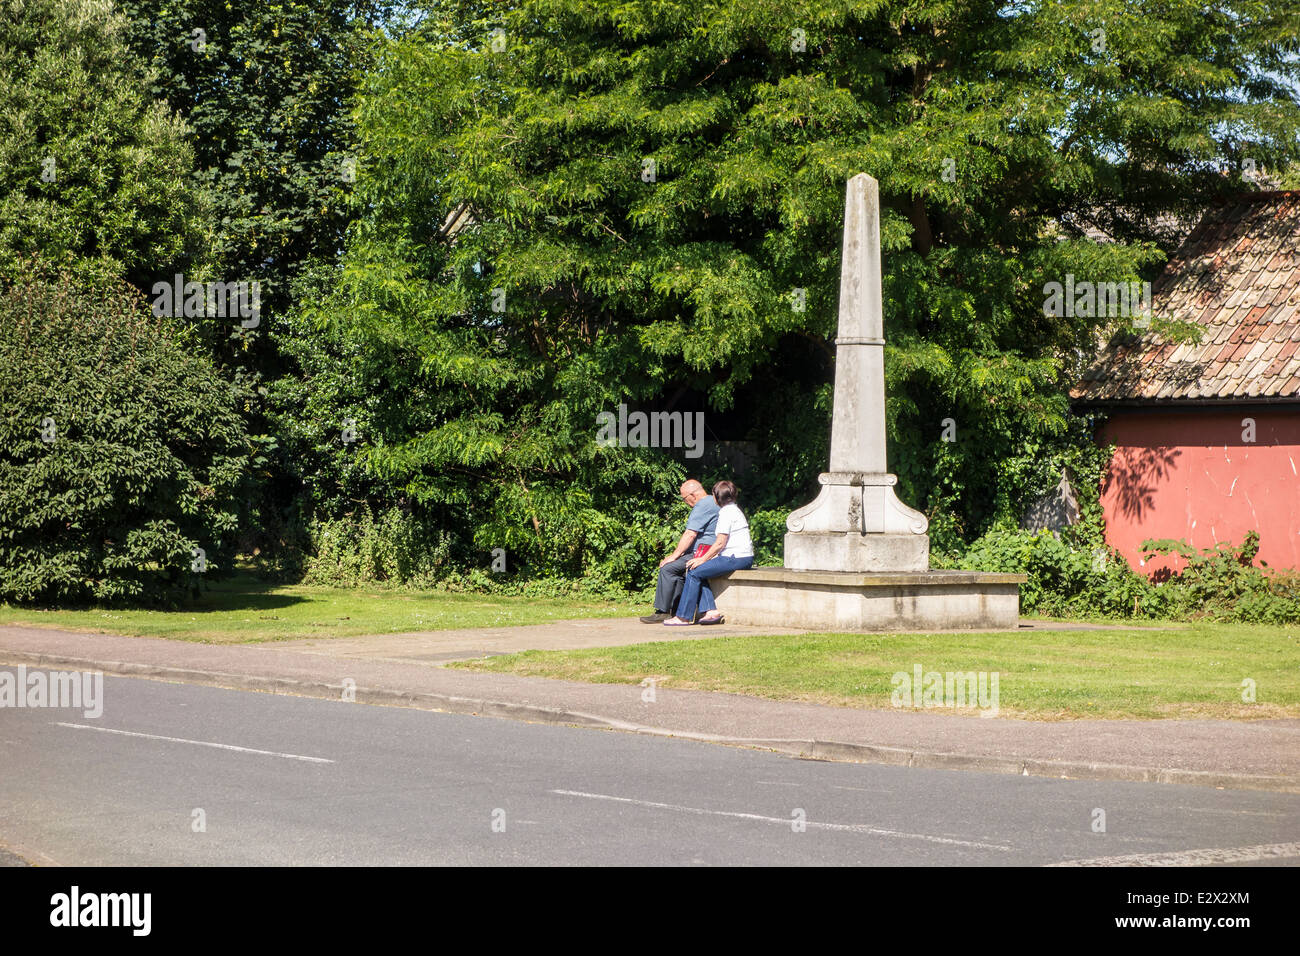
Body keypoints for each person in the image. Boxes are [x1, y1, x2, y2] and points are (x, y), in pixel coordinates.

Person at [663, 480, 753, 626]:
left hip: (735, 558)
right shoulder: (735, 509)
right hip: (743, 556)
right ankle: (711, 612)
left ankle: (683, 617)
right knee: (700, 571)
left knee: (694, 570)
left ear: (717, 498)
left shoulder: (725, 513)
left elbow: (720, 543)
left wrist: (703, 559)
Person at [638, 479, 719, 624]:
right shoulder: (712, 502)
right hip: (705, 551)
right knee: (679, 571)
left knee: (668, 568)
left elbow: (690, 534)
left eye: (684, 499)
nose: (685, 503)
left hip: (702, 553)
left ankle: (663, 611)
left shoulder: (702, 505)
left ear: (693, 495)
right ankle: (675, 610)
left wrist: (673, 556)